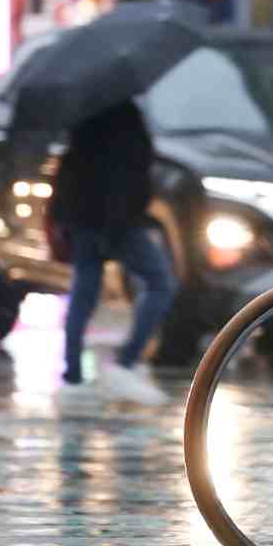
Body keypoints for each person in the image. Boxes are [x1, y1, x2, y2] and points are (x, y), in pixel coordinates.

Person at [49, 100, 177, 407]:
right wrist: (115, 224)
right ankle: (126, 362)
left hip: (86, 221)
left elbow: (71, 170)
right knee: (161, 282)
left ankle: (73, 377)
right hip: (117, 224)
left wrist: (65, 220)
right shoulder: (123, 114)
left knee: (84, 295)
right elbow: (127, 172)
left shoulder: (82, 115)